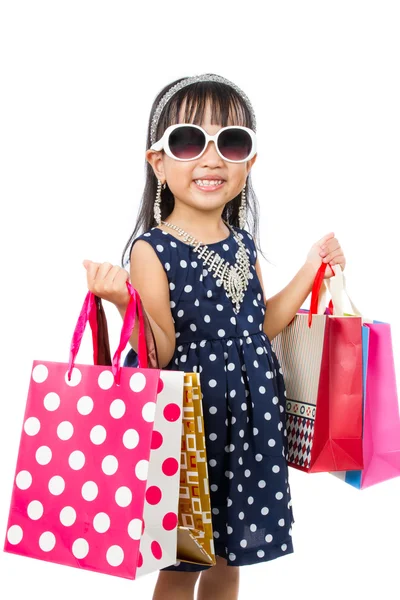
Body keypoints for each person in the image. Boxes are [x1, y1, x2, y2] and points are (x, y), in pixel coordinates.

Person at [83, 73, 346, 600]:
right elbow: (158, 353)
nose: (211, 158)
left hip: (249, 424)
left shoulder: (243, 244)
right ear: (158, 162)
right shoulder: (151, 250)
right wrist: (122, 302)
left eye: (231, 143)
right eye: (187, 141)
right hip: (190, 430)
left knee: (231, 558)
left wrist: (311, 267)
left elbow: (260, 325)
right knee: (183, 564)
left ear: (248, 164)